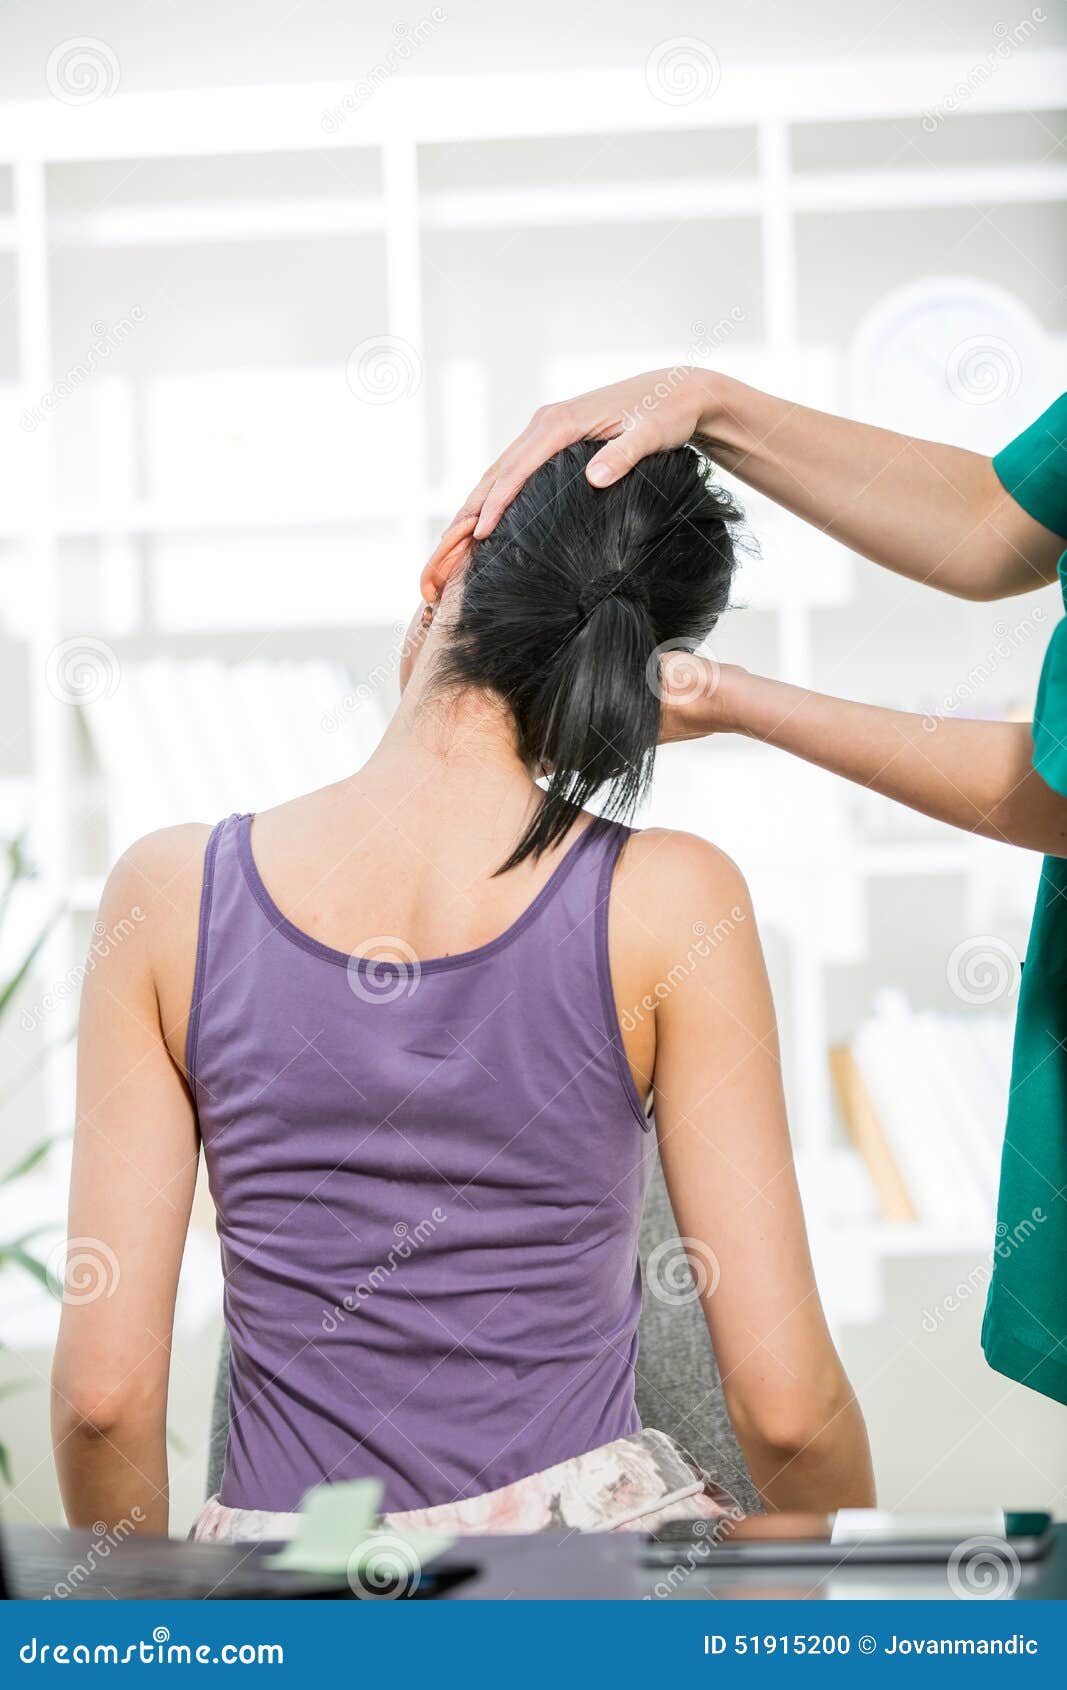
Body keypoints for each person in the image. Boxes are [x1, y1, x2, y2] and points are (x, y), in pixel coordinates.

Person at [52, 440, 874, 1540]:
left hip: (301, 1577)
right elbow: (786, 1412)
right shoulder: (669, 899)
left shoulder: (170, 895)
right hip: (576, 1586)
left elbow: (102, 1406)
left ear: (449, 566)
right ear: (637, 672)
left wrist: (161, 1637)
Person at [457, 372, 1067, 1409]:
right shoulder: (673, 902)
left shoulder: (192, 890)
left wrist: (741, 700)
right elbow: (990, 522)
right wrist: (706, 402)